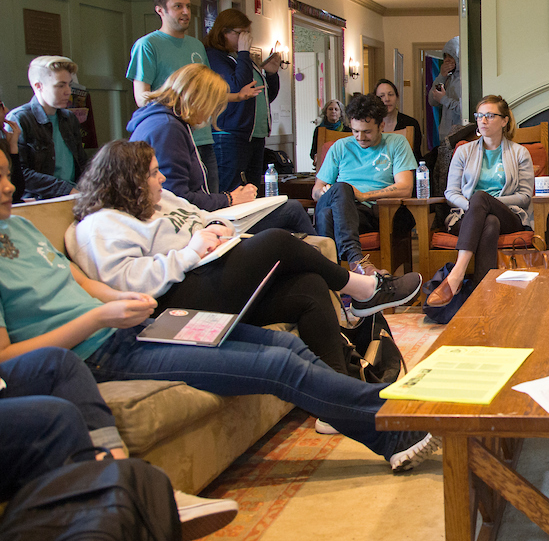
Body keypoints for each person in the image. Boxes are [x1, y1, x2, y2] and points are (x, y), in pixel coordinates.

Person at [0, 146, 438, 474]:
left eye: (7, 175)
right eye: (0, 178)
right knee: (276, 366)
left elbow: (79, 281)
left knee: (289, 349)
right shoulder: (97, 226)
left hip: (142, 325)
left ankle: (393, 432)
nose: (9, 187)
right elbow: (7, 358)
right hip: (101, 354)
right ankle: (399, 419)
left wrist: (116, 301)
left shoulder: (17, 225)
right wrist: (99, 317)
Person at [69, 141, 419, 372]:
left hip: (212, 268)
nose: (161, 178)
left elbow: (201, 217)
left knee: (308, 285)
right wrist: (191, 251)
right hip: (175, 302)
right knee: (275, 241)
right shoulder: (102, 225)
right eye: (152, 173)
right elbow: (129, 282)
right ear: (125, 181)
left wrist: (219, 226)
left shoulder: (161, 200)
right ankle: (363, 289)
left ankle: (341, 390)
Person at [0, 346, 238, 540]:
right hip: (105, 346)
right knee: (55, 419)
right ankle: (117, 516)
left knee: (58, 361)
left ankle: (129, 483)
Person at [127, 63, 313, 233]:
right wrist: (230, 199)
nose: (213, 112)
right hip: (187, 225)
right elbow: (178, 200)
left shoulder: (163, 121)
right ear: (197, 99)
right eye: (214, 105)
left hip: (193, 218)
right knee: (291, 211)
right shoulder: (167, 129)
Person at [127, 0, 259, 193]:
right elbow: (142, 98)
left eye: (188, 6)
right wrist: (176, 108)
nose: (186, 12)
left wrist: (236, 96)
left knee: (213, 201)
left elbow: (206, 93)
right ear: (160, 10)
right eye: (178, 6)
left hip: (204, 137)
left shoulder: (196, 46)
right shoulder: (147, 45)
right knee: (183, 201)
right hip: (172, 138)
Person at [427, 95, 534, 307]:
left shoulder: (520, 152)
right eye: (479, 116)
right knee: (489, 222)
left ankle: (457, 274)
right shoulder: (463, 152)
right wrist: (478, 207)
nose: (483, 120)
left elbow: (525, 195)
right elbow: (451, 193)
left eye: (489, 116)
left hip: (509, 215)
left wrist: (485, 201)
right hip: (467, 216)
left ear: (504, 121)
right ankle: (483, 298)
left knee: (483, 201)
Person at [313, 93, 420, 277]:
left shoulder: (396, 143)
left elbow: (405, 188)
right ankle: (357, 261)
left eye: (367, 131)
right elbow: (316, 191)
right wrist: (324, 191)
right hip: (340, 203)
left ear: (381, 126)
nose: (360, 137)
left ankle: (333, 284)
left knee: (326, 215)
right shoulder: (340, 146)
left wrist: (364, 196)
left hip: (372, 212)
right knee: (339, 190)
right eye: (355, 131)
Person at [204, 9, 282, 193]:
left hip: (253, 135)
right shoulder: (215, 56)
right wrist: (245, 52)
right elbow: (237, 88)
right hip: (230, 134)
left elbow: (263, 96)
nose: (245, 38)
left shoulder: (240, 58)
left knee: (251, 191)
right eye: (240, 33)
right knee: (232, 190)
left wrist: (271, 74)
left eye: (247, 33)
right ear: (224, 32)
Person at [8, 55, 89, 200]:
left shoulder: (69, 119)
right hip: (41, 200)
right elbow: (18, 173)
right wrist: (66, 189)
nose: (68, 91)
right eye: (60, 85)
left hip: (75, 196)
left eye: (69, 85)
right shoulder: (19, 119)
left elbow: (82, 162)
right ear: (38, 86)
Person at [427, 35, 462, 149]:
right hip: (445, 138)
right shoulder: (447, 78)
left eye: (451, 56)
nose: (447, 60)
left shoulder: (467, 80)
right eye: (445, 56)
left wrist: (444, 99)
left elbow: (464, 109)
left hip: (462, 137)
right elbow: (432, 101)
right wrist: (441, 76)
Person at [375, 78, 423, 156]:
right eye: (381, 96)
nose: (387, 99)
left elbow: (416, 156)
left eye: (390, 95)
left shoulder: (411, 123)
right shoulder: (371, 125)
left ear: (397, 97)